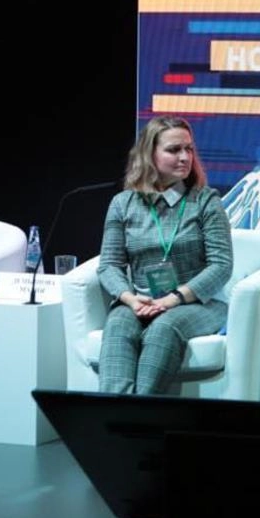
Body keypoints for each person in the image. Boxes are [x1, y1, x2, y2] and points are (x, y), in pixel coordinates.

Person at [96, 116, 233, 395]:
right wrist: (130, 298)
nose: (185, 157)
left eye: (189, 149)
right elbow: (109, 265)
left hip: (198, 304)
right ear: (150, 155)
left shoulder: (206, 201)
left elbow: (221, 266)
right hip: (141, 301)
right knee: (118, 325)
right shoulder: (123, 204)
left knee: (164, 328)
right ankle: (112, 413)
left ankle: (142, 413)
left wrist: (173, 299)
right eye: (174, 150)